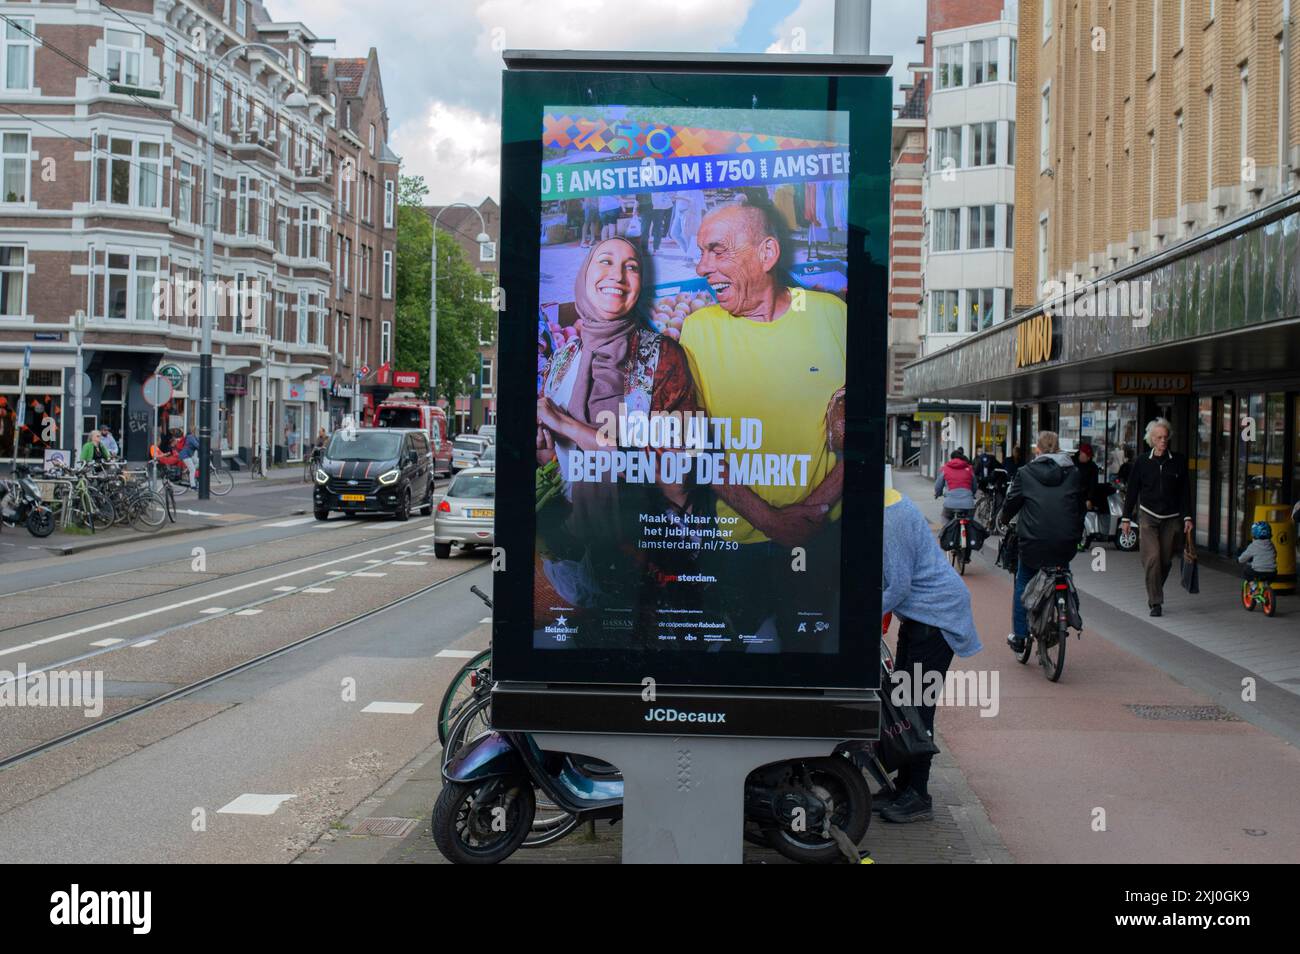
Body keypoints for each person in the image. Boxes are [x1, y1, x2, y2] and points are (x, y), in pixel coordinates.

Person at [678, 196, 845, 646]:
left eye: (716, 250)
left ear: (767, 254)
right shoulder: (698, 330)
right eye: (701, 252)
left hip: (822, 543)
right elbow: (692, 447)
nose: (701, 266)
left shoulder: (832, 316)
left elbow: (863, 435)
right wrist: (771, 520)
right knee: (736, 672)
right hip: (735, 549)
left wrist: (818, 508)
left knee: (808, 668)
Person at [535, 236, 699, 641]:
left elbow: (677, 471)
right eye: (605, 262)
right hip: (572, 552)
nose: (618, 276)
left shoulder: (662, 357)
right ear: (583, 276)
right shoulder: (563, 360)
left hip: (646, 557)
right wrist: (547, 456)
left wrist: (571, 427)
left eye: (632, 267)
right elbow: (562, 468)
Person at [879, 486, 982, 823]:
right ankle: (904, 784)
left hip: (936, 618)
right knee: (906, 702)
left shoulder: (891, 518)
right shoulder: (890, 503)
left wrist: (853, 621)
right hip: (922, 618)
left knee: (918, 708)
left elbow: (899, 586)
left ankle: (918, 795)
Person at [999, 431, 1085, 652]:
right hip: (1065, 542)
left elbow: (1012, 503)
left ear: (1037, 449)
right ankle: (1064, 604)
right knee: (1061, 570)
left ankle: (1019, 637)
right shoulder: (1073, 473)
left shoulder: (1025, 472)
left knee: (1023, 580)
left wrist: (1003, 519)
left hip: (1033, 543)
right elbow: (1080, 506)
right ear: (1058, 449)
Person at [1121, 418, 1192, 617]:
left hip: (1172, 517)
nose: (1163, 440)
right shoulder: (1142, 461)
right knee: (1152, 558)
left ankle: (1154, 586)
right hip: (1148, 516)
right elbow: (1132, 490)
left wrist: (1187, 517)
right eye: (1159, 437)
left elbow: (1185, 491)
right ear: (1151, 439)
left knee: (1165, 561)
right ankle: (1155, 602)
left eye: (1165, 437)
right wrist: (1126, 519)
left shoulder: (1178, 461)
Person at [934, 449, 976, 520]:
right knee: (970, 522)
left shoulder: (945, 469)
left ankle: (946, 531)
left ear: (951, 458)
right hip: (968, 503)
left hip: (950, 504)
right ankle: (968, 530)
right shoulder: (969, 469)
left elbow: (938, 485)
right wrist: (972, 494)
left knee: (945, 517)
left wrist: (938, 493)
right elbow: (974, 485)